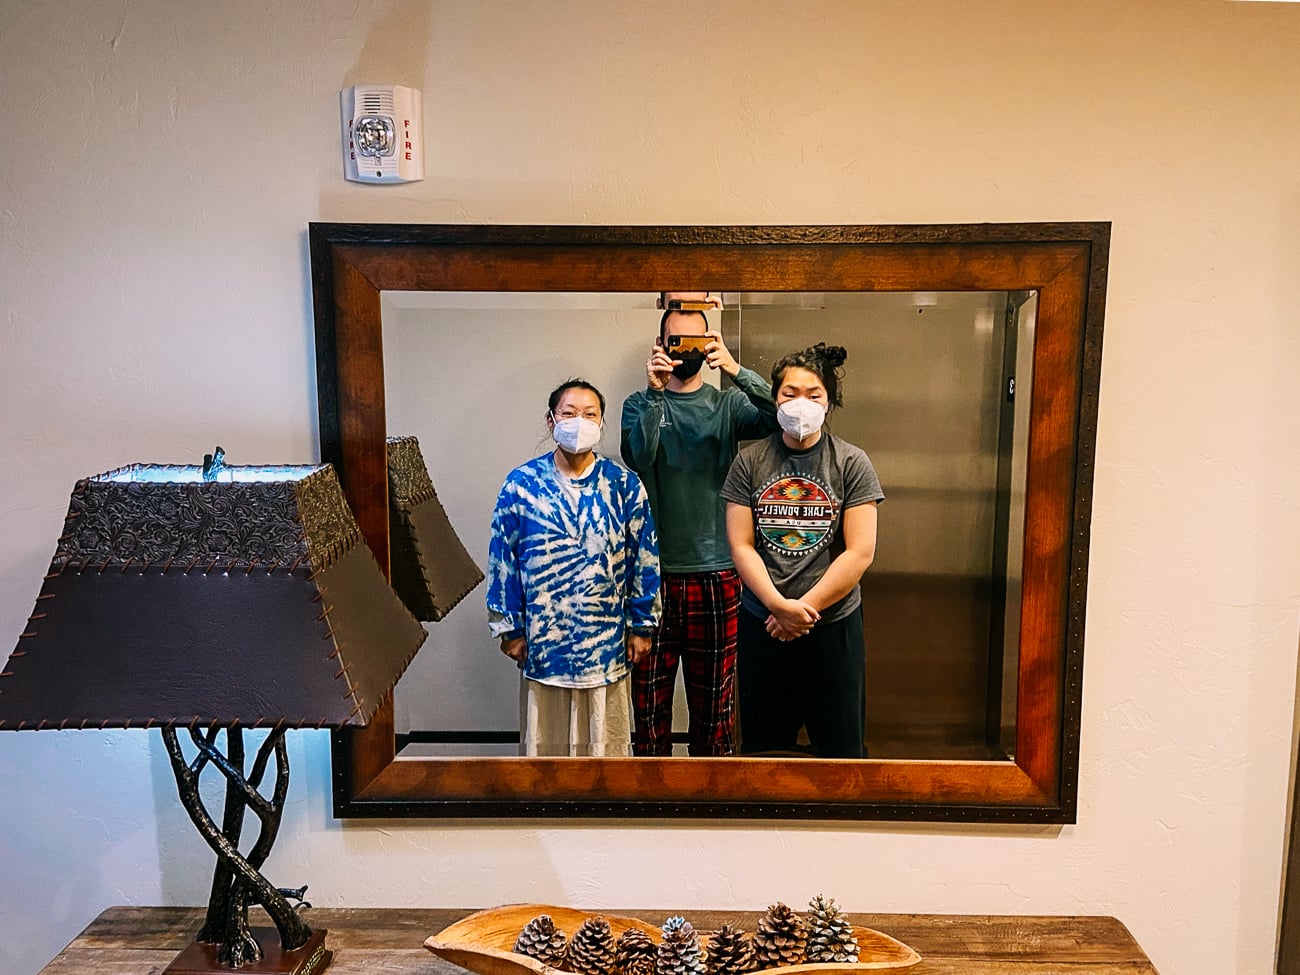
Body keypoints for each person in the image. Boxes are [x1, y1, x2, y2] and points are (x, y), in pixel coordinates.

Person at [620, 296, 779, 756]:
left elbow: (780, 421)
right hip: (652, 578)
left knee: (715, 709)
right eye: (677, 339)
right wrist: (654, 392)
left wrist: (735, 367)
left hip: (717, 572)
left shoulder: (728, 403)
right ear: (660, 344)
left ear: (710, 343)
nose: (685, 349)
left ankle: (712, 806)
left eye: (697, 338)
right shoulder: (638, 403)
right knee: (648, 710)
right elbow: (638, 456)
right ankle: (652, 805)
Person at [721, 343, 883, 758]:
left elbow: (860, 552)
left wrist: (801, 610)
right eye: (789, 393)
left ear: (829, 404)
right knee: (763, 752)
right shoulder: (750, 461)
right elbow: (741, 544)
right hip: (764, 625)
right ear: (774, 400)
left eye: (814, 395)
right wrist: (777, 606)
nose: (800, 404)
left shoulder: (851, 462)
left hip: (832, 627)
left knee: (842, 752)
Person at [487, 379, 661, 757]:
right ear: (551, 421)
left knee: (605, 753)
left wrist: (642, 625)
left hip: (606, 644)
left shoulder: (624, 486)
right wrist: (509, 628)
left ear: (601, 424)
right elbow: (503, 560)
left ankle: (605, 815)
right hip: (544, 643)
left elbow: (644, 559)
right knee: (544, 752)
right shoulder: (521, 485)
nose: (578, 421)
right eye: (568, 413)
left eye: (589, 414)